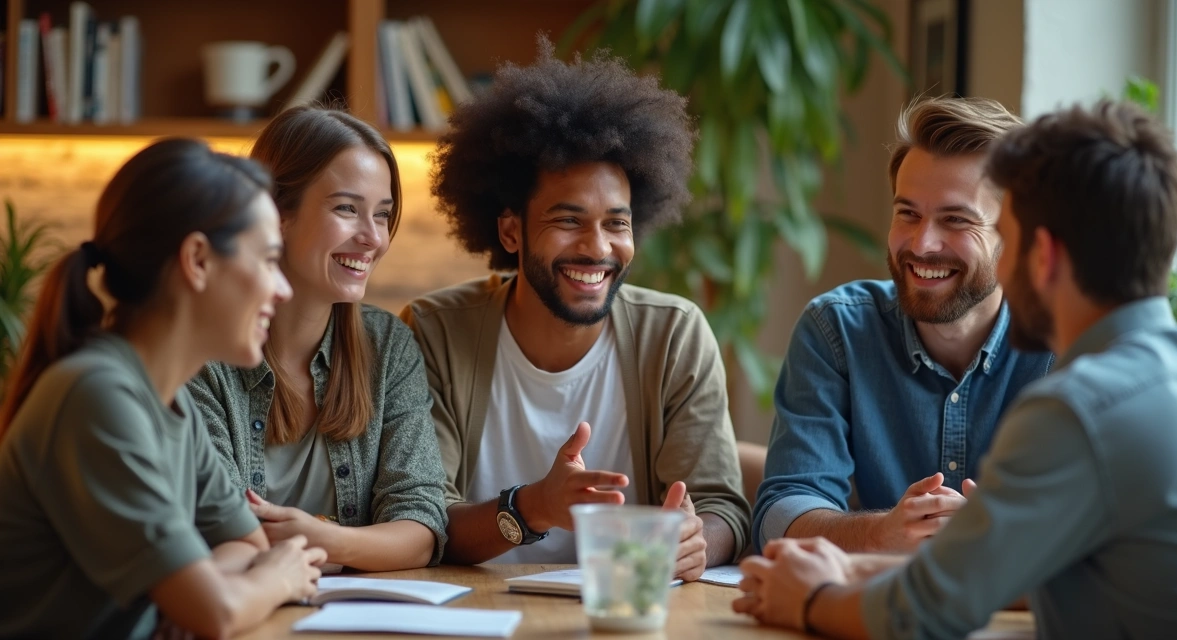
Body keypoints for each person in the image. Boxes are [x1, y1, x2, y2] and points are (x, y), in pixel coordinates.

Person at [734, 100, 1177, 639]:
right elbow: (1030, 575)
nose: (922, 244)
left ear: (1043, 255)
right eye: (907, 213)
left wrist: (815, 598)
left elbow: (932, 611)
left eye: (1000, 230)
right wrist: (861, 559)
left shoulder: (1075, 409)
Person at [400, 43, 750, 580]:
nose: (598, 248)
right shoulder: (434, 331)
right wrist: (534, 507)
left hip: (624, 611)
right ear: (511, 230)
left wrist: (696, 540)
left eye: (617, 223)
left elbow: (722, 509)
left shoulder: (674, 335)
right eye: (568, 220)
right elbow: (424, 521)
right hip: (473, 613)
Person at [0, 139, 324, 638]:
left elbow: (248, 545)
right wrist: (274, 579)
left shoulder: (170, 402)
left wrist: (201, 591)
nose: (281, 289)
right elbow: (217, 612)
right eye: (267, 261)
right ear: (197, 259)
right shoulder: (95, 396)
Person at [754, 97, 1055, 553]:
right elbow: (781, 513)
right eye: (907, 214)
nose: (922, 243)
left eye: (956, 220)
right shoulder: (836, 330)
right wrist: (881, 532)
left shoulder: (1065, 344)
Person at [188, 106, 448, 572]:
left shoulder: (386, 345)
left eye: (383, 214)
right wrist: (356, 544)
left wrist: (324, 538)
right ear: (276, 213)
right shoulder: (203, 354)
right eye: (347, 208)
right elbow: (221, 533)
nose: (373, 238)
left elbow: (420, 528)